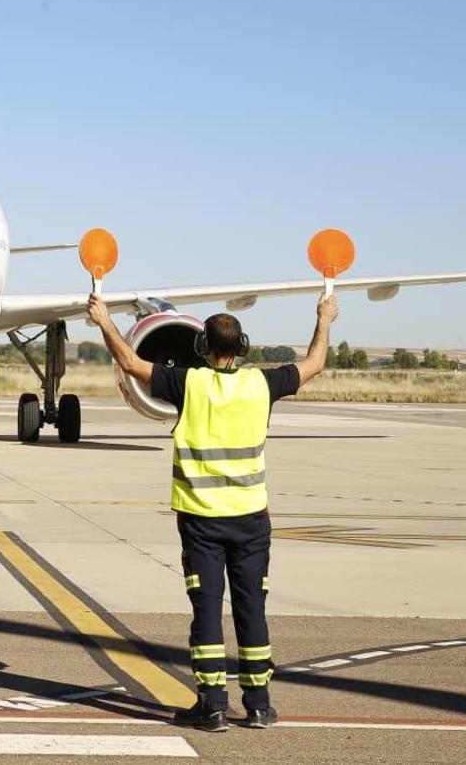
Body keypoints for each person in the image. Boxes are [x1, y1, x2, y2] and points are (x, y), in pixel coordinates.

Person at [87, 293, 339, 731]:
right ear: (242, 346)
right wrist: (324, 318)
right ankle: (259, 704)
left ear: (203, 347)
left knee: (206, 610)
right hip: (251, 520)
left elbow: (130, 364)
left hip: (202, 522)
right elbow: (315, 363)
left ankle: (213, 704)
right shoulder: (262, 384)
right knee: (251, 609)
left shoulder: (189, 384)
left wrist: (105, 322)